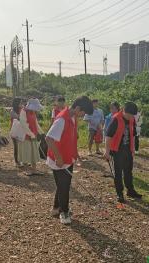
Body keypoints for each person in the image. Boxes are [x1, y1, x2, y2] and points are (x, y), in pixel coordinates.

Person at [45, 96, 92, 225]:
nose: (83, 116)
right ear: (77, 108)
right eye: (83, 113)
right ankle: (64, 212)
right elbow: (48, 139)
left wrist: (75, 154)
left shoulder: (73, 117)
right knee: (64, 186)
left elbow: (71, 138)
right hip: (58, 160)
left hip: (67, 158)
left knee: (63, 185)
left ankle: (56, 208)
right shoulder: (61, 119)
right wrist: (59, 157)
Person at [104, 102, 142, 203]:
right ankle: (120, 194)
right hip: (117, 150)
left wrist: (133, 148)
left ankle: (130, 191)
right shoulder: (116, 119)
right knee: (118, 173)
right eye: (129, 115)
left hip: (128, 149)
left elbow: (133, 135)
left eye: (132, 115)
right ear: (124, 111)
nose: (131, 117)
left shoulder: (132, 119)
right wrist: (107, 152)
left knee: (128, 171)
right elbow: (108, 136)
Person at [18, 98, 44, 176]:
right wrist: (30, 134)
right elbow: (24, 124)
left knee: (34, 152)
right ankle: (27, 169)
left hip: (34, 135)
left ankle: (34, 169)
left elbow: (36, 123)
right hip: (26, 135)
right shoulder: (23, 111)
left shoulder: (33, 112)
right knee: (26, 152)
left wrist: (42, 132)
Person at [10, 97, 23, 166]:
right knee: (16, 146)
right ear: (17, 103)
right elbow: (19, 118)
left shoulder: (22, 110)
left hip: (21, 130)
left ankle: (22, 160)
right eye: (20, 103)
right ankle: (17, 161)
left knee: (21, 146)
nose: (22, 104)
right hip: (14, 130)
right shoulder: (12, 111)